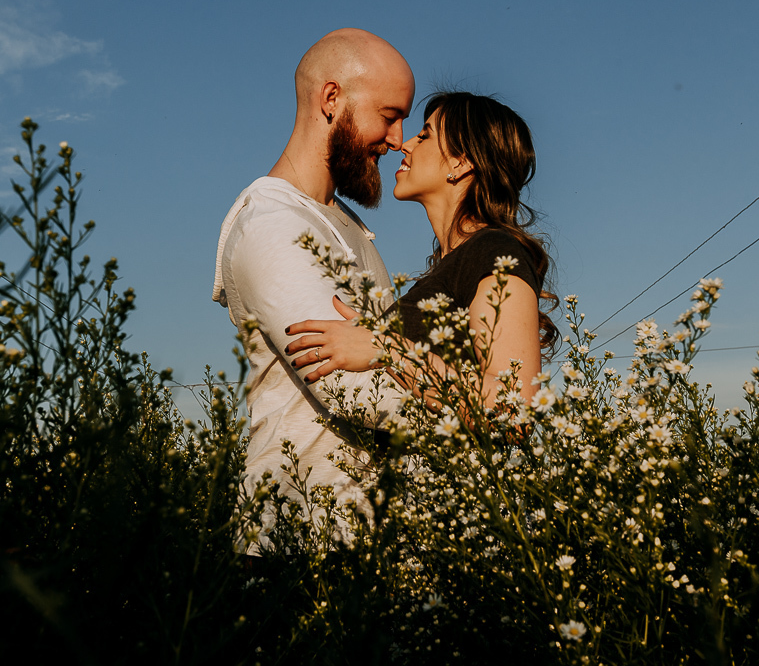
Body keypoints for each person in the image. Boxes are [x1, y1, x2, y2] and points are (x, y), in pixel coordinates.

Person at [211, 28, 415, 535]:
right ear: (331, 98)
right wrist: (474, 403)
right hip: (297, 540)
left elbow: (380, 357)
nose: (398, 140)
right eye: (389, 117)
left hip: (363, 540)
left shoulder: (342, 221)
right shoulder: (273, 222)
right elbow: (349, 387)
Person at [286, 92, 557, 417]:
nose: (405, 144)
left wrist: (386, 348)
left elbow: (515, 410)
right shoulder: (451, 267)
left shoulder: (496, 252)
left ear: (461, 162)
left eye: (425, 134)